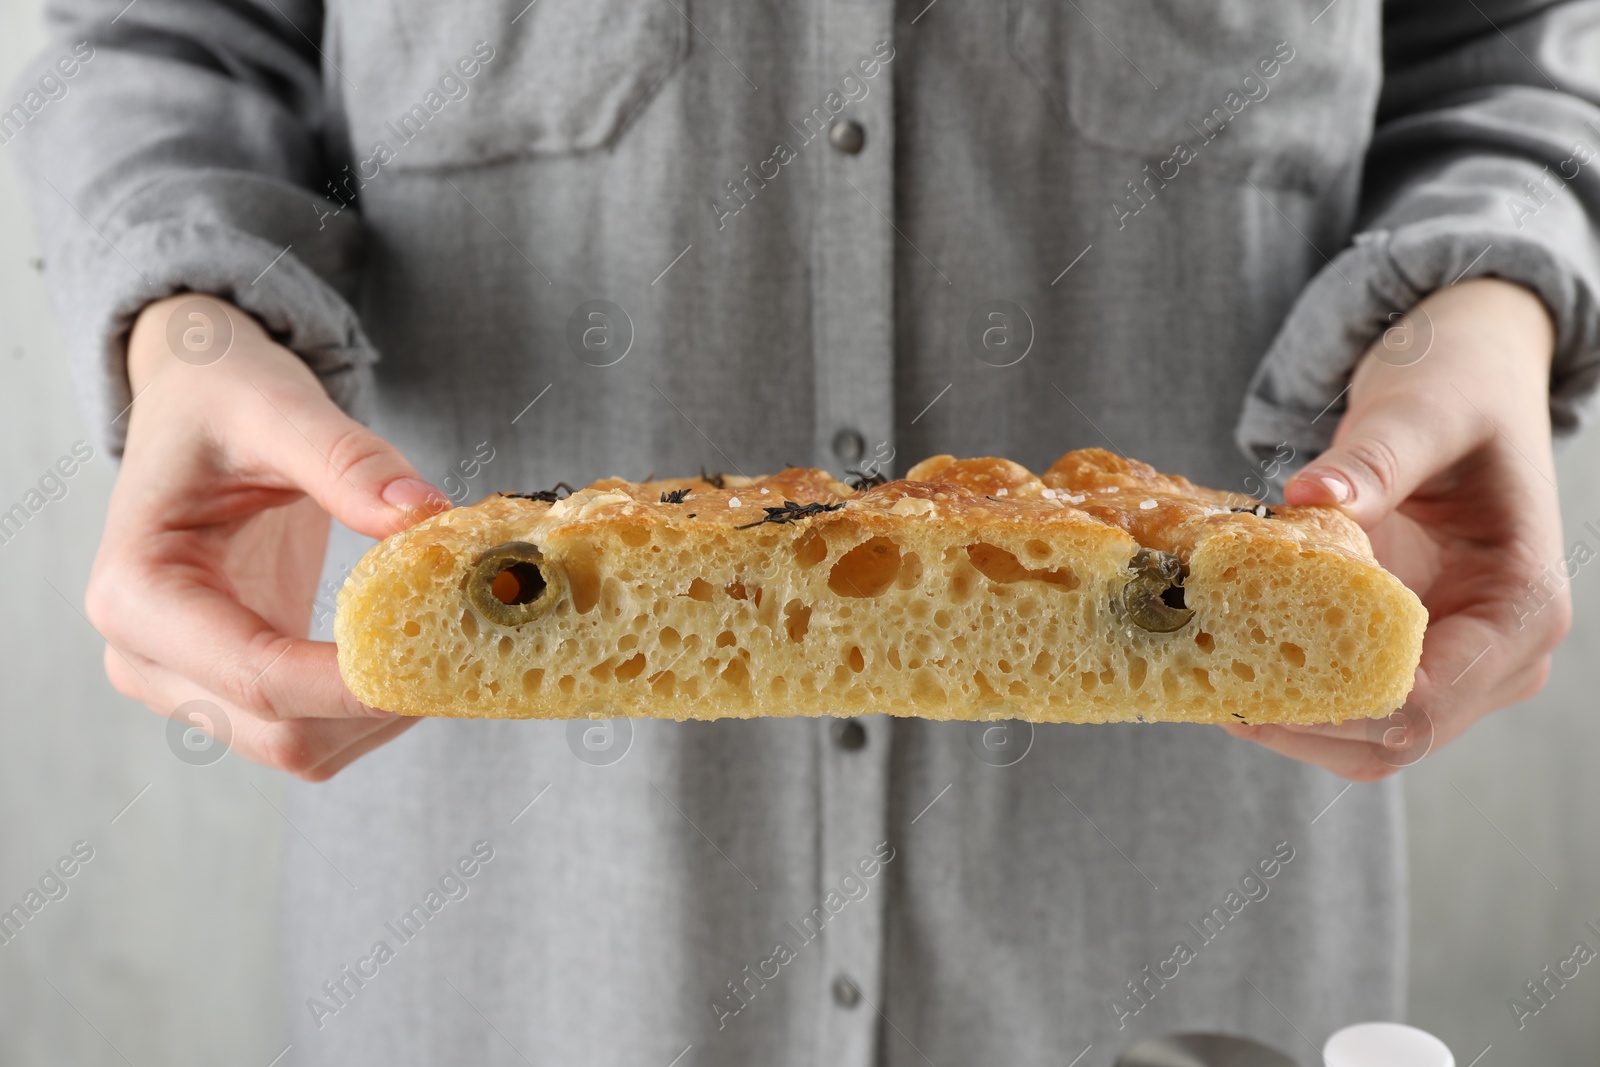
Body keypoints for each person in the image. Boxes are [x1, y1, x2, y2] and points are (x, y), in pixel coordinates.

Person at [13, 0, 1600, 1062]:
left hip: (1187, 927)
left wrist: (1494, 291)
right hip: (511, 943)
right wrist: (187, 323)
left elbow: (1512, 41)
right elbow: (155, 33)